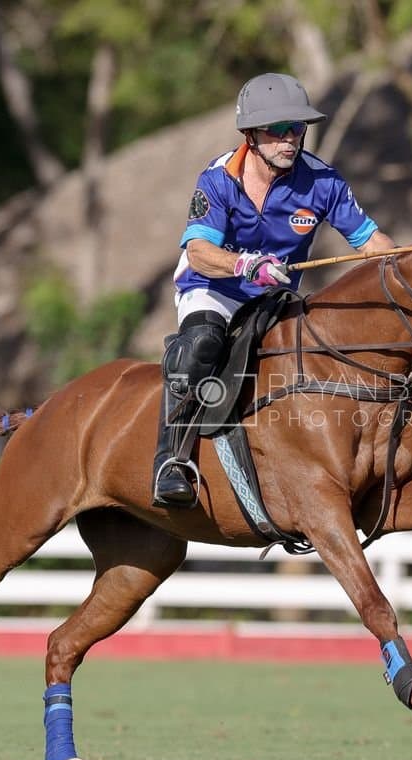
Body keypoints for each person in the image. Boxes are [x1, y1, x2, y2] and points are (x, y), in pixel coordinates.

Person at [153, 72, 397, 506]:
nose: (290, 139)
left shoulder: (323, 182)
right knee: (202, 345)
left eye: (297, 129)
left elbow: (372, 244)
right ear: (250, 134)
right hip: (213, 289)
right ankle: (171, 461)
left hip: (275, 298)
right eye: (278, 130)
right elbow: (199, 252)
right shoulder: (218, 179)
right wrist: (244, 264)